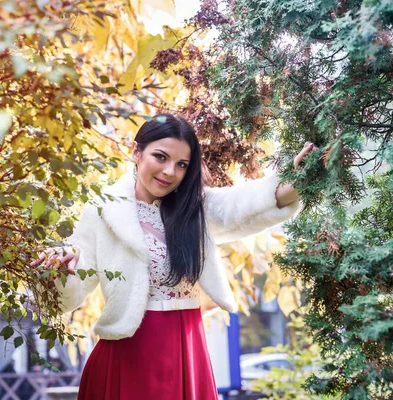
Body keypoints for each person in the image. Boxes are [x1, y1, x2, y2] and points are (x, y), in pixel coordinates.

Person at [31, 114, 315, 399]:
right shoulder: (102, 210)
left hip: (187, 349)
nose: (169, 171)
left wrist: (300, 177)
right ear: (136, 152)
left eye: (181, 165)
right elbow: (70, 294)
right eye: (160, 157)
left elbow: (247, 204)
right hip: (127, 353)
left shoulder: (196, 207)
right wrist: (59, 271)